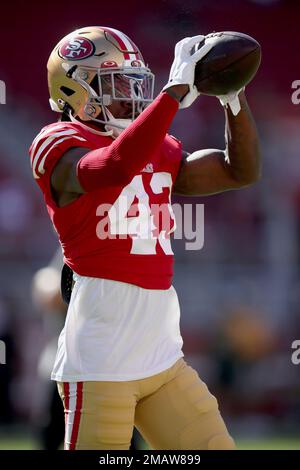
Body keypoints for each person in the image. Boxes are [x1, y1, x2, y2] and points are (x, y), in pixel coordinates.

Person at [29, 26, 261, 450]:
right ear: (74, 90)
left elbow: (239, 170)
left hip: (162, 358)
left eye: (134, 82)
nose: (129, 94)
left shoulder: (157, 145)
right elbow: (112, 167)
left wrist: (232, 97)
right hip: (100, 360)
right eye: (116, 82)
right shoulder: (57, 141)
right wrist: (172, 93)